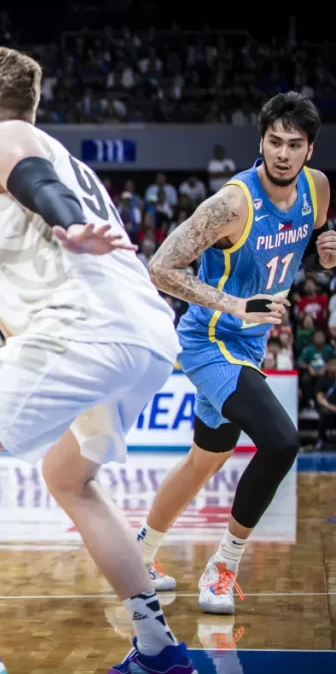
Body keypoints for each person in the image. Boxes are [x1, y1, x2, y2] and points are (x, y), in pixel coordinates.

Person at [0, 47, 194, 674]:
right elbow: (40, 185)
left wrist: (68, 223)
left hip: (84, 331)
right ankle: (158, 647)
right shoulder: (69, 156)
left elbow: (31, 180)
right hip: (146, 339)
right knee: (69, 479)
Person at [134, 92, 331, 614]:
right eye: (274, 142)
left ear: (310, 150)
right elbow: (160, 268)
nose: (283, 154)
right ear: (260, 141)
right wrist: (236, 305)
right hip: (210, 339)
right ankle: (223, 566)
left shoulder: (318, 190)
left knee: (207, 458)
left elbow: (305, 240)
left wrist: (326, 247)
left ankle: (142, 556)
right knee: (282, 441)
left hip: (250, 342)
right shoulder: (232, 204)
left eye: (294, 144)